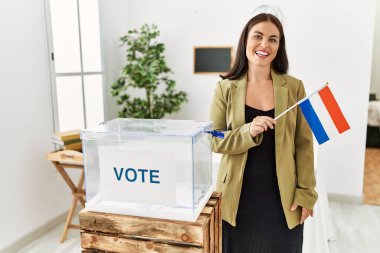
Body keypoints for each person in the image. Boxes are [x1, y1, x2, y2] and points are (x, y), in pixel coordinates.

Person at [209, 13, 318, 252]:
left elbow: (305, 145)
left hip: (284, 202)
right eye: (257, 36)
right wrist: (247, 131)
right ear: (245, 41)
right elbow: (213, 138)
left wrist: (307, 194)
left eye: (273, 39)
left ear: (280, 46)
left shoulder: (296, 87)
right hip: (236, 200)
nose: (264, 45)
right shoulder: (224, 87)